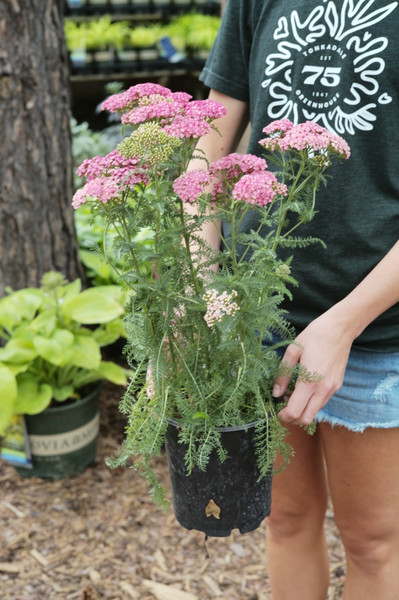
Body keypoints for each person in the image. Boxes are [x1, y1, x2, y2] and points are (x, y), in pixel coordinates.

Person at [186, 1, 399, 598]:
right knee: (284, 518)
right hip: (261, 313)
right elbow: (213, 125)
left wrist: (345, 324)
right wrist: (201, 273)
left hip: (381, 330)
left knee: (373, 542)